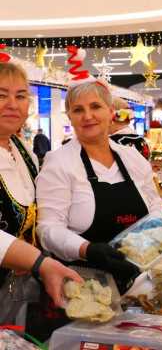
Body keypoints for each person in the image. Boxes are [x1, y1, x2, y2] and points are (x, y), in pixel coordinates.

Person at [36, 80, 162, 295]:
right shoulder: (59, 163)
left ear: (110, 111)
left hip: (140, 282)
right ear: (70, 117)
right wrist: (87, 249)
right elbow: (48, 229)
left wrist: (149, 239)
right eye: (78, 110)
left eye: (95, 106)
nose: (88, 116)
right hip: (84, 288)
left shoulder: (131, 157)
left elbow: (156, 206)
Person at [0, 61, 82, 322]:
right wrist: (40, 263)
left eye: (20, 96)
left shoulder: (25, 153)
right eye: (1, 95)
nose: (13, 104)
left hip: (19, 289)